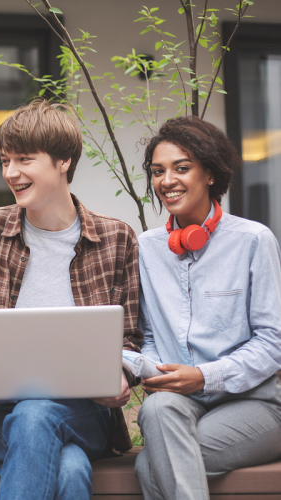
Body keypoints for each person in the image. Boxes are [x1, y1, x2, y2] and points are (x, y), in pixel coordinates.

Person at [0, 98, 143, 500]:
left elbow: (131, 337)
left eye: (24, 160)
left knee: (35, 415)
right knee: (69, 470)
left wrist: (122, 372)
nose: (10, 173)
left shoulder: (117, 239)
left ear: (63, 161)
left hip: (86, 411)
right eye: (4, 161)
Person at [133, 116, 281, 500]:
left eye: (182, 168)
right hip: (178, 404)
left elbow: (272, 341)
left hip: (256, 405)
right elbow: (149, 334)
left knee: (151, 464)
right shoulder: (147, 248)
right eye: (158, 171)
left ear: (210, 174)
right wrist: (151, 368)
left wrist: (204, 376)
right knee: (156, 410)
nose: (167, 181)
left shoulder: (252, 240)